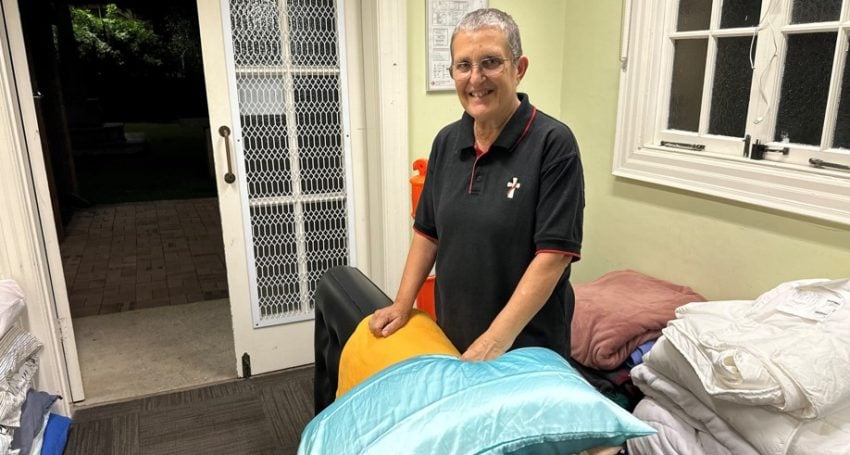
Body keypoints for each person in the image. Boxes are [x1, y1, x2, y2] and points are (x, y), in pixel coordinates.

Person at [369, 8, 584, 361]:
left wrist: (494, 341)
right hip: (455, 335)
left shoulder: (553, 144)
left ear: (519, 68)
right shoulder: (446, 142)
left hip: (524, 347)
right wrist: (402, 303)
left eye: (490, 62)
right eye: (463, 65)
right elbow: (428, 233)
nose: (475, 78)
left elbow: (554, 256)